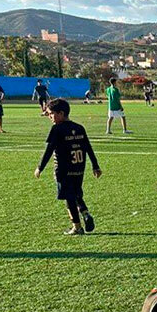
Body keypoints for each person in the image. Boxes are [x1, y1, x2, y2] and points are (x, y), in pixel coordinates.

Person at [34, 98, 101, 236]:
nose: (50, 117)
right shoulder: (79, 127)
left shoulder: (57, 129)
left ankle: (77, 227)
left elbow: (49, 150)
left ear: (61, 113)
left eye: (51, 114)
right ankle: (85, 212)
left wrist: (40, 167)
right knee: (76, 193)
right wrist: (95, 166)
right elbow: (88, 147)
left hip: (63, 170)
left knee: (69, 198)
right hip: (78, 168)